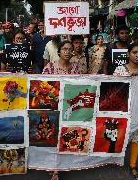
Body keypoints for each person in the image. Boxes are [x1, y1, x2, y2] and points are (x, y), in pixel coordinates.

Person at [42, 40, 83, 180]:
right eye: (64, 49)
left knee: (65, 136)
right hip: (53, 108)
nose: (67, 51)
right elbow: (43, 87)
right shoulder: (49, 67)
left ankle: (59, 165)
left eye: (70, 49)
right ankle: (53, 168)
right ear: (59, 51)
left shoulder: (76, 68)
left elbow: (80, 88)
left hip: (69, 109)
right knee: (52, 136)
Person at [114, 43, 138, 180]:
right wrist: (127, 79)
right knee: (120, 134)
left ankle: (133, 165)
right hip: (123, 108)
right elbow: (113, 90)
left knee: (137, 136)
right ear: (128, 54)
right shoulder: (120, 70)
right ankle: (114, 158)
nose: (137, 55)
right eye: (134, 52)